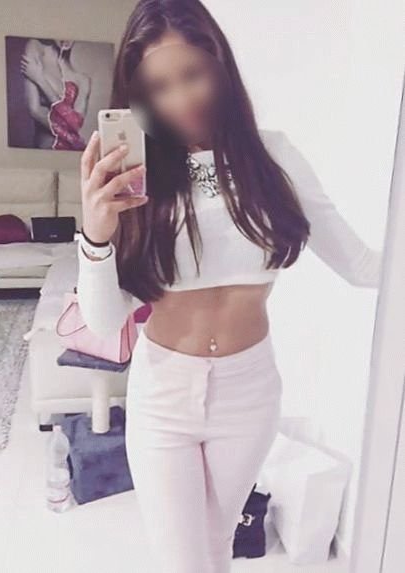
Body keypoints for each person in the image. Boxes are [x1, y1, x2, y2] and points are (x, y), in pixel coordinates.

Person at [76, 1, 383, 571]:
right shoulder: (140, 175)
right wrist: (95, 234)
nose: (181, 99)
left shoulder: (274, 157)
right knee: (184, 562)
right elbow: (103, 321)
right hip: (164, 394)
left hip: (249, 391)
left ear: (219, 64)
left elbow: (362, 265)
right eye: (159, 87)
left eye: (192, 74)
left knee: (217, 548)